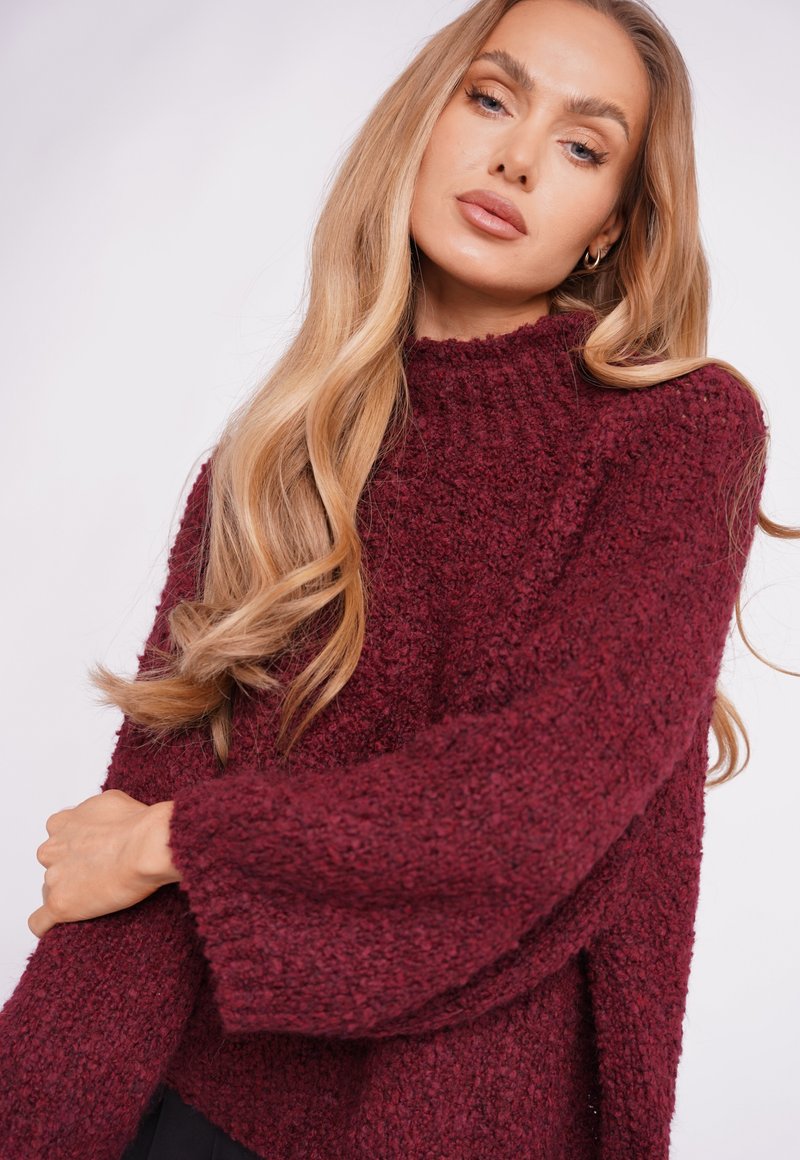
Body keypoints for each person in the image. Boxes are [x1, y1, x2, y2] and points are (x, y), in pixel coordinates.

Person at [2, 1, 797, 1157]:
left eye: (581, 146)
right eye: (491, 97)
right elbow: (117, 865)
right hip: (178, 1100)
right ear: (421, 120)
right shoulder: (271, 461)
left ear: (608, 229)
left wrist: (180, 844)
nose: (516, 157)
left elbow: (526, 804)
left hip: (447, 1116)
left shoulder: (673, 432)